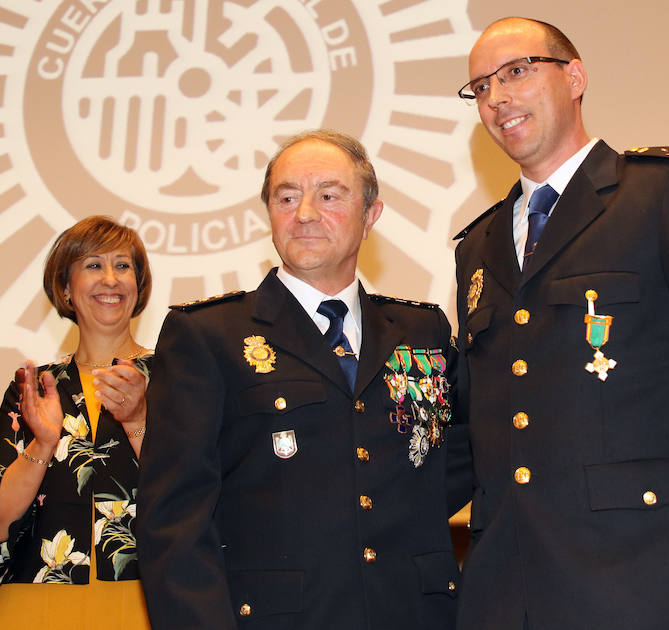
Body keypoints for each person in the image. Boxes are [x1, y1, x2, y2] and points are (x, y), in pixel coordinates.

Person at [452, 17, 669, 630]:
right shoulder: (477, 246)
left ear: (575, 77)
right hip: (507, 589)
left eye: (517, 71)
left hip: (646, 577)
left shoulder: (663, 191)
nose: (497, 96)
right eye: (480, 86)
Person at [136, 129, 471, 630]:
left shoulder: (423, 330)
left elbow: (468, 450)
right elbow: (174, 522)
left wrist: (401, 512)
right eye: (287, 198)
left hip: (415, 611)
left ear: (370, 215)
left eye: (329, 196)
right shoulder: (208, 334)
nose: (305, 213)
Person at [0, 216, 153, 629]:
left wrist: (138, 421)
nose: (111, 279)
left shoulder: (177, 377)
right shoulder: (33, 388)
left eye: (122, 266)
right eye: (93, 265)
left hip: (149, 600)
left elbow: (204, 494)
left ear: (138, 285)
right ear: (65, 288)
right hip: (37, 605)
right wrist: (43, 444)